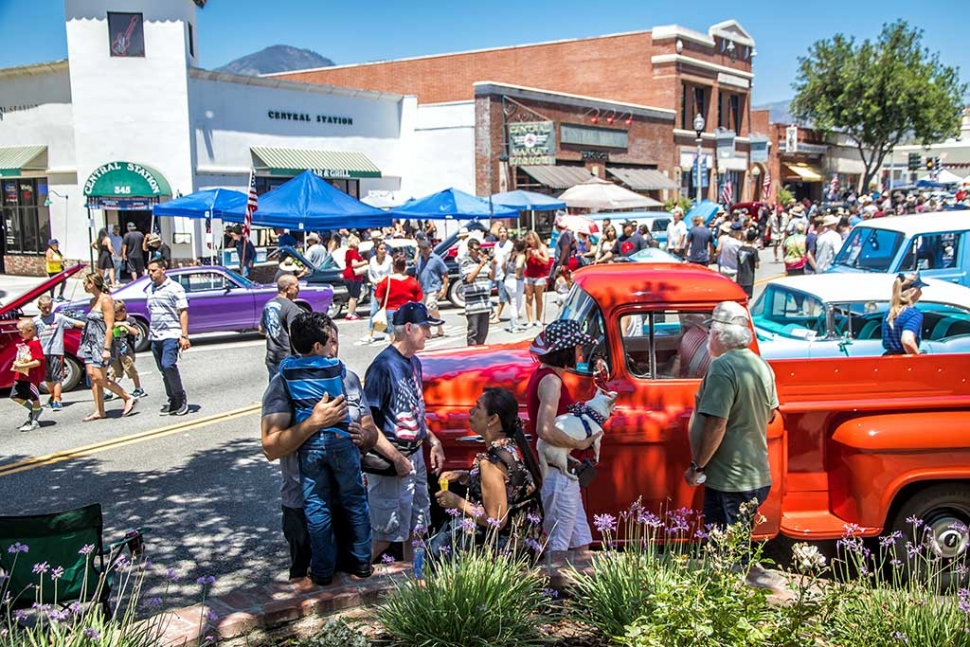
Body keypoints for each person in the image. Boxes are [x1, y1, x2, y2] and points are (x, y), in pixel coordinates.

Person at [261, 315, 378, 582]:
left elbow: (371, 431)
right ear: (316, 345)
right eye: (329, 342)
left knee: (357, 584)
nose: (333, 349)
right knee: (311, 589)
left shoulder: (348, 378)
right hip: (302, 508)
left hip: (346, 506)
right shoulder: (281, 385)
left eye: (336, 342)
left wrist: (365, 435)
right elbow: (270, 447)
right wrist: (315, 422)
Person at [363, 302, 446, 562]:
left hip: (415, 457)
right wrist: (397, 459)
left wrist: (433, 440)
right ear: (408, 329)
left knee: (418, 527)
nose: (429, 334)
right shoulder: (382, 367)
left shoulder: (414, 363)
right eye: (425, 328)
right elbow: (368, 425)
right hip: (393, 460)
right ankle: (350, 580)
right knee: (385, 534)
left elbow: (415, 410)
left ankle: (416, 581)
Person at [684, 301, 778, 528]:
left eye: (710, 332)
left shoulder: (722, 367)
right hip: (754, 475)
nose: (708, 337)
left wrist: (697, 466)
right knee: (733, 546)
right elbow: (771, 414)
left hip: (730, 480)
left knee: (725, 552)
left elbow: (717, 424)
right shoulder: (759, 364)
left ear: (718, 334)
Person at [431, 387, 543, 559]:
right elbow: (509, 489)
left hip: (502, 552)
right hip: (526, 543)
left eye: (477, 407)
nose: (471, 411)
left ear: (493, 419)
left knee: (435, 550)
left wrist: (457, 502)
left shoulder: (491, 463)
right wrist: (465, 476)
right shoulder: (514, 447)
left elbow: (496, 520)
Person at [527, 320, 603, 552]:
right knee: (558, 546)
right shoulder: (551, 381)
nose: (581, 352)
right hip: (557, 474)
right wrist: (579, 443)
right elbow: (545, 429)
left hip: (564, 473)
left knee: (581, 541)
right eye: (578, 347)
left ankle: (579, 589)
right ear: (566, 352)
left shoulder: (548, 376)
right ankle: (553, 588)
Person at [78, 272, 137, 421]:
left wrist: (106, 348)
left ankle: (127, 397)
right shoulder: (93, 301)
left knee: (99, 377)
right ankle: (99, 410)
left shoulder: (106, 300)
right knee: (92, 377)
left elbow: (109, 326)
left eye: (85, 283)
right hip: (90, 342)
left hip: (101, 343)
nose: (84, 286)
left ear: (92, 283)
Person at [146, 259, 190, 416]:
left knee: (168, 365)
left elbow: (183, 311)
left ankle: (180, 397)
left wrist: (184, 336)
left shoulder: (175, 288)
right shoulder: (150, 289)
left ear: (163, 270)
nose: (150, 274)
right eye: (149, 271)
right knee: (163, 369)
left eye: (153, 270)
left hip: (171, 334)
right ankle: (172, 399)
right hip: (155, 335)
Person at [34, 295, 84, 411]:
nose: (47, 310)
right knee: (47, 378)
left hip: (56, 351)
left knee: (57, 377)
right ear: (39, 307)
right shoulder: (36, 321)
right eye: (44, 308)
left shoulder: (59, 318)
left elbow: (75, 323)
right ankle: (52, 395)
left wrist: (91, 325)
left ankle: (57, 399)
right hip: (42, 353)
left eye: (49, 307)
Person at [260, 275, 302, 380]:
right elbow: (294, 334)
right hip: (287, 358)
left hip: (272, 357)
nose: (299, 290)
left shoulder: (269, 305)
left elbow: (261, 329)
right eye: (296, 287)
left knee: (275, 390)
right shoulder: (291, 308)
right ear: (287, 289)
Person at [10, 319, 45, 432]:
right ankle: (35, 410)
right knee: (15, 396)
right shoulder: (25, 342)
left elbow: (38, 361)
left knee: (34, 397)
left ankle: (34, 420)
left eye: (21, 331)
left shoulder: (35, 344)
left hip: (31, 377)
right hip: (20, 375)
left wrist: (22, 366)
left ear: (30, 330)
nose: (19, 334)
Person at [372, 255, 422, 335]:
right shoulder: (412, 281)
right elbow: (419, 299)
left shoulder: (387, 280)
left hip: (391, 311)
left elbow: (378, 297)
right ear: (405, 267)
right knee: (407, 336)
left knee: (394, 337)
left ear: (393, 267)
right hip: (408, 312)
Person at [109, 300, 147, 399]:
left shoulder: (130, 320)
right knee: (112, 371)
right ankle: (109, 390)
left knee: (130, 370)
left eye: (117, 314)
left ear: (123, 310)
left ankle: (138, 388)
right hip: (114, 350)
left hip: (127, 351)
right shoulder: (113, 321)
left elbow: (135, 332)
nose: (116, 316)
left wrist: (124, 325)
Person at [882, 273, 929, 356]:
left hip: (887, 359)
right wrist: (918, 358)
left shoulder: (889, 313)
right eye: (920, 289)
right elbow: (907, 341)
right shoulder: (913, 314)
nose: (921, 292)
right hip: (904, 362)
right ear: (914, 291)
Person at [461, 238, 494, 346]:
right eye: (476, 249)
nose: (479, 251)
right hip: (473, 305)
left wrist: (493, 264)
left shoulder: (483, 262)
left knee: (483, 333)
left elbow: (492, 277)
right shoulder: (465, 262)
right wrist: (480, 266)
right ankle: (471, 355)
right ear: (469, 249)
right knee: (473, 333)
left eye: (480, 249)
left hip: (484, 304)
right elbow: (469, 279)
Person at [414, 238, 448, 339]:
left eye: (425, 248)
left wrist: (444, 289)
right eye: (421, 248)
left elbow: (445, 274)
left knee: (430, 307)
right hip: (423, 288)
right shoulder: (420, 259)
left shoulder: (436, 259)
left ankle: (426, 331)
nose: (423, 251)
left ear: (430, 248)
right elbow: (418, 274)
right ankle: (439, 328)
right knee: (425, 310)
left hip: (434, 288)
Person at [365, 239, 393, 343]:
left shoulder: (389, 259)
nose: (384, 251)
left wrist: (382, 281)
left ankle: (388, 333)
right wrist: (374, 281)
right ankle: (370, 334)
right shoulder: (372, 260)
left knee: (386, 312)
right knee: (373, 311)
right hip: (375, 288)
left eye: (385, 249)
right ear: (376, 250)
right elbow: (370, 273)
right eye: (381, 249)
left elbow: (391, 273)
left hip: (386, 289)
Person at [522, 231, 550, 327]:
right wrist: (528, 255)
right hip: (528, 274)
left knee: (539, 298)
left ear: (535, 238)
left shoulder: (542, 247)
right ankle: (530, 320)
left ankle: (538, 319)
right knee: (528, 298)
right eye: (528, 240)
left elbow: (546, 261)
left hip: (539, 275)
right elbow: (523, 260)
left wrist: (538, 256)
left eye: (530, 239)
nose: (529, 242)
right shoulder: (527, 248)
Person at [491, 226, 513, 324]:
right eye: (501, 232)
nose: (502, 234)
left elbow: (508, 260)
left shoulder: (509, 245)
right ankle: (515, 311)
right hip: (497, 273)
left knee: (502, 296)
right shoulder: (496, 245)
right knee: (508, 295)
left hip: (505, 274)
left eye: (504, 232)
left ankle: (497, 316)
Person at [503, 238, 527, 333]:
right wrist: (517, 274)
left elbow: (502, 265)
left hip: (508, 278)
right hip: (516, 281)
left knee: (514, 303)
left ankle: (514, 325)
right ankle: (514, 327)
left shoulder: (510, 254)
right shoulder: (521, 256)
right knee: (516, 305)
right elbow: (518, 266)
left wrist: (506, 274)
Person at [342, 235, 368, 321]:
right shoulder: (354, 252)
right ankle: (350, 313)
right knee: (354, 296)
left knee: (352, 295)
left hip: (347, 274)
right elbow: (354, 264)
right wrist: (365, 262)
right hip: (354, 276)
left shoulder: (347, 252)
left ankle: (353, 312)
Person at [736, 230, 760, 299]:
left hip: (740, 277)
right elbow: (756, 265)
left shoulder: (740, 249)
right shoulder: (753, 251)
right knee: (747, 297)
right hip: (749, 278)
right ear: (755, 239)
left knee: (739, 297)